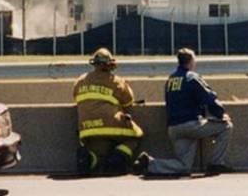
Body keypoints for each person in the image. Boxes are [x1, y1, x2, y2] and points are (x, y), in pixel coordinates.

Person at [134, 48, 233, 177]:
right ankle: (215, 164)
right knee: (226, 126)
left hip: (174, 129)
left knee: (183, 167)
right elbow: (209, 98)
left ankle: (149, 163)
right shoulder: (191, 77)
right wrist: (221, 114)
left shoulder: (170, 80)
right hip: (191, 125)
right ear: (191, 61)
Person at [73, 47, 144, 174]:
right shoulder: (117, 81)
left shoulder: (80, 81)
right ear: (110, 65)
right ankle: (117, 159)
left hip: (87, 128)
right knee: (136, 135)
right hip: (111, 125)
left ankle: (91, 159)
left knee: (100, 147)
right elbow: (128, 102)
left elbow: (76, 98)